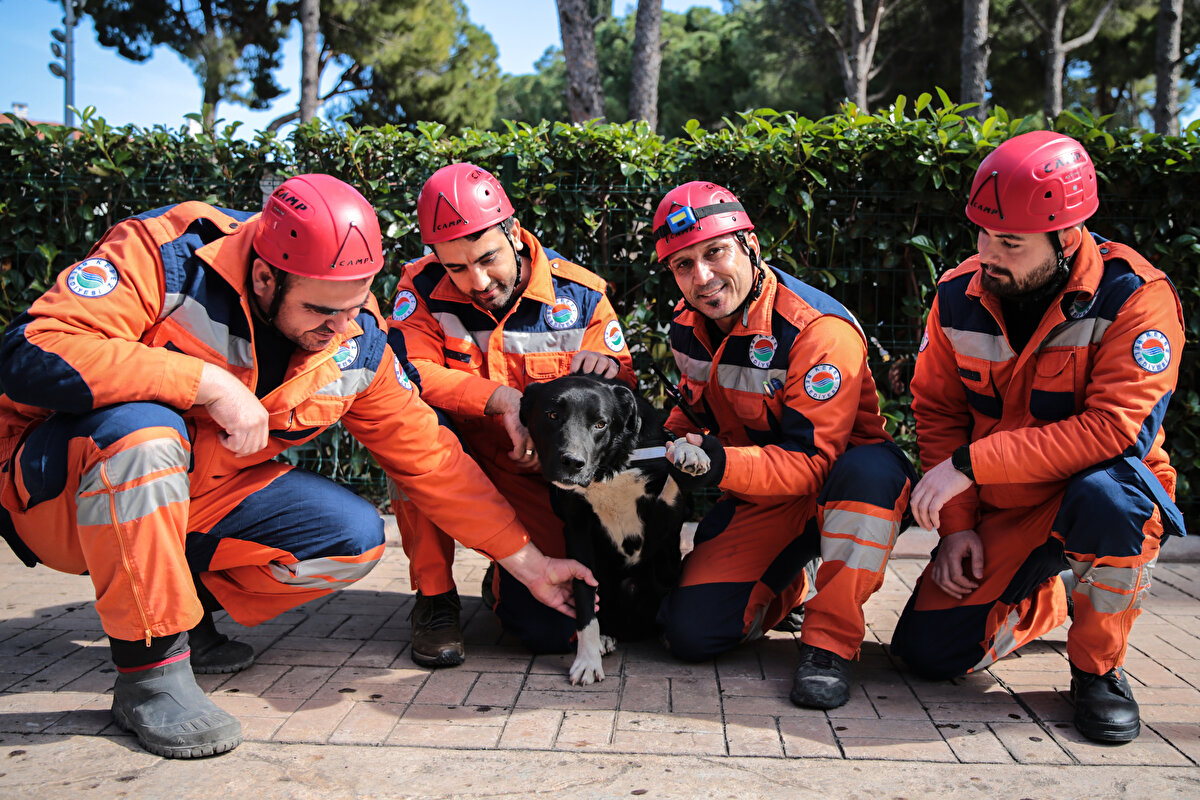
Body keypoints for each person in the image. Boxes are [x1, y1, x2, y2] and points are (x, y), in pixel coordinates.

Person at [0, 174, 595, 759]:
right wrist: (202, 382)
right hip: (60, 492)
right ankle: (150, 672)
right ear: (265, 275)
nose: (337, 329)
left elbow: (431, 461)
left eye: (354, 306)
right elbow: (29, 350)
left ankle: (185, 613)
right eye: (320, 311)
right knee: (147, 435)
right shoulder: (166, 255)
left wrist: (532, 565)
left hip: (198, 497)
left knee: (352, 538)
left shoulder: (356, 339)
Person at [893, 131, 1187, 744]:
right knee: (928, 656)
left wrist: (969, 466)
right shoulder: (956, 295)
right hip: (1006, 505)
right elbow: (939, 411)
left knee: (1113, 503)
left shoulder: (1137, 298)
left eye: (1009, 242)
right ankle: (1046, 596)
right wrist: (958, 527)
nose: (988, 254)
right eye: (982, 234)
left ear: (1068, 236)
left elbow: (1113, 430)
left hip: (1098, 489)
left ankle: (1098, 669)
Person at [651, 181, 916, 710]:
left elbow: (814, 462)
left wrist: (718, 463)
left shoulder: (817, 330)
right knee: (690, 636)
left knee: (866, 474)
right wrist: (660, 445)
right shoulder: (686, 328)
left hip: (843, 485)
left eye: (714, 252)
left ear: (750, 244)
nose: (701, 278)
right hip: (763, 493)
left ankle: (830, 644)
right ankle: (791, 581)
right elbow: (693, 413)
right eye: (682, 265)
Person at [387, 163, 635, 666]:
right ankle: (435, 600)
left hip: (542, 480)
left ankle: (504, 575)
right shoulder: (421, 290)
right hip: (460, 459)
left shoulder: (582, 296)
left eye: (487, 259)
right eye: (456, 268)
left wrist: (609, 370)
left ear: (514, 233)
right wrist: (499, 399)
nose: (476, 281)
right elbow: (406, 371)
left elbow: (621, 393)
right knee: (409, 430)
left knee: (546, 628)